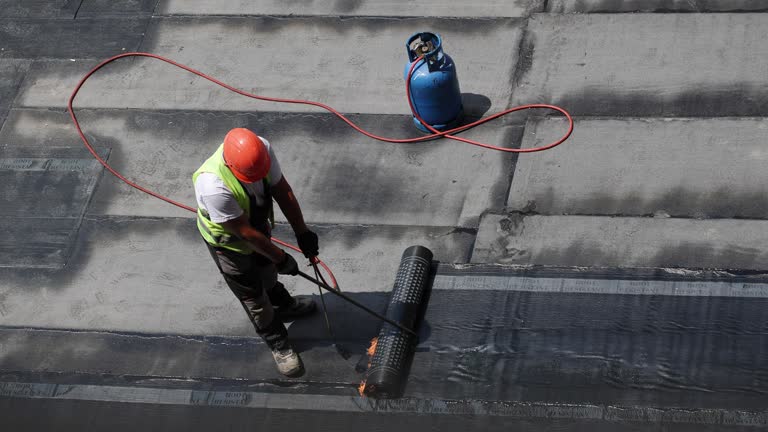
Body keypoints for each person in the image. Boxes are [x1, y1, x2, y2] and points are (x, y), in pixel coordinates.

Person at [193, 128, 319, 376]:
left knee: (268, 274)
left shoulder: (261, 150)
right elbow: (245, 234)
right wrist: (282, 258)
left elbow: (282, 190)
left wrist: (302, 232)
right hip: (229, 244)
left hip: (256, 227)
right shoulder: (212, 185)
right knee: (254, 298)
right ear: (231, 165)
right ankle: (278, 343)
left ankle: (283, 305)